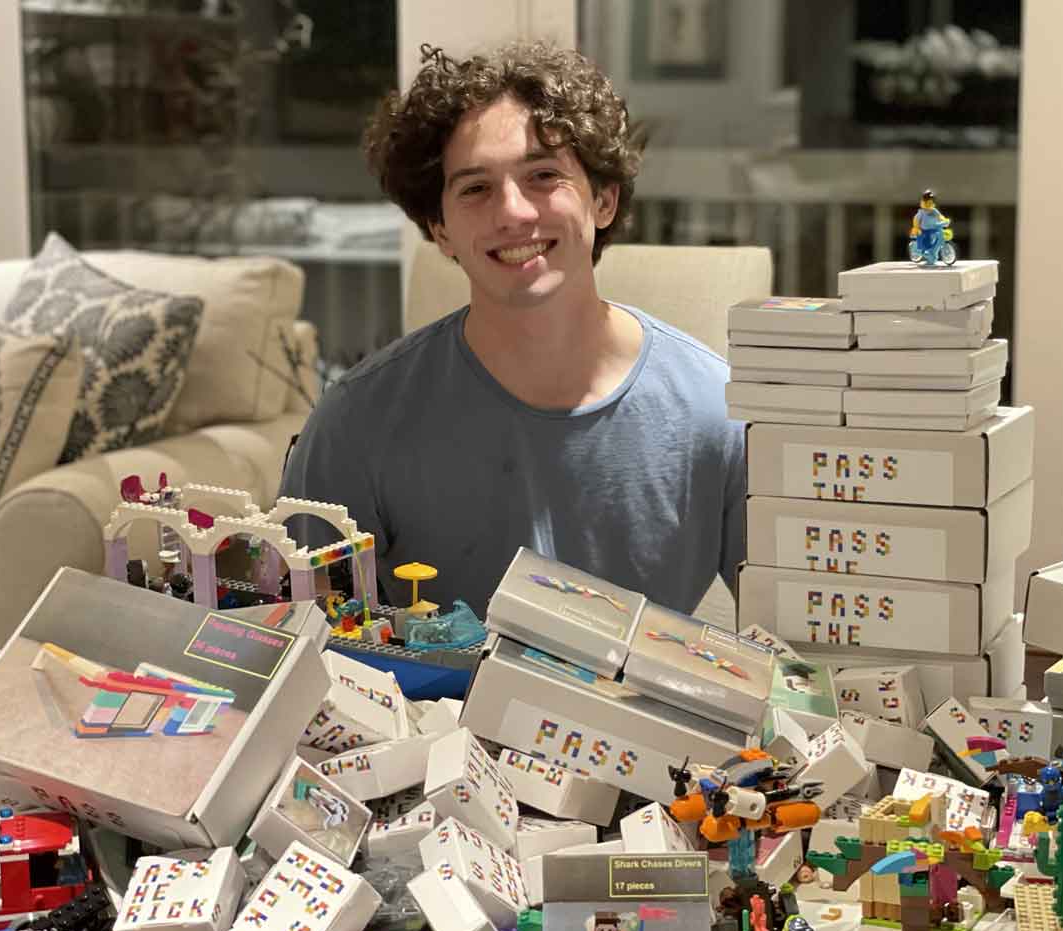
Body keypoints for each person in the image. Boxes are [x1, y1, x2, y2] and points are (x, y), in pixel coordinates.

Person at [279, 42, 745, 618]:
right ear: (441, 230)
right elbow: (304, 645)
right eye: (475, 188)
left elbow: (801, 652)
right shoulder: (354, 425)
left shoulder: (720, 414)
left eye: (543, 176)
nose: (513, 212)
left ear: (603, 200)